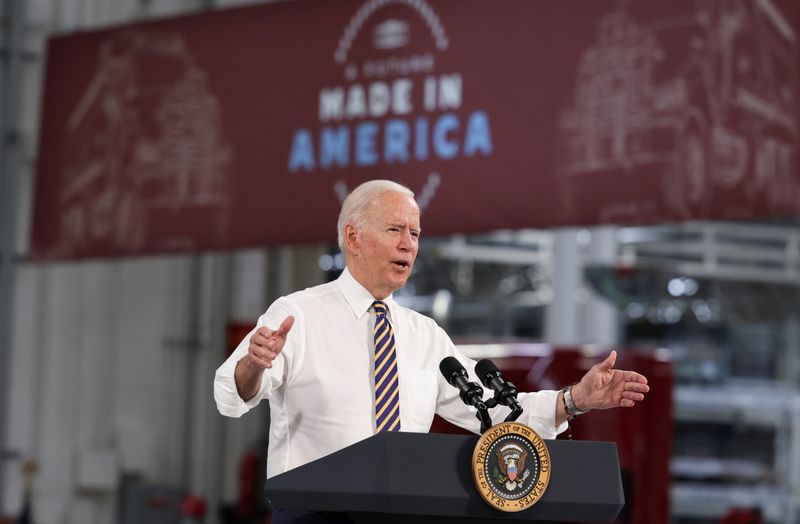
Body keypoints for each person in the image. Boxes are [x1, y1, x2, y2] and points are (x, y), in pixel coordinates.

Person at [214, 179, 649, 521]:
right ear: (353, 236)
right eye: (395, 230)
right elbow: (232, 396)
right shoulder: (298, 314)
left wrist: (574, 399)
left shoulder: (425, 335)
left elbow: (499, 413)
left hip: (401, 513)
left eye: (416, 233)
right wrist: (254, 363)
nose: (409, 244)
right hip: (315, 514)